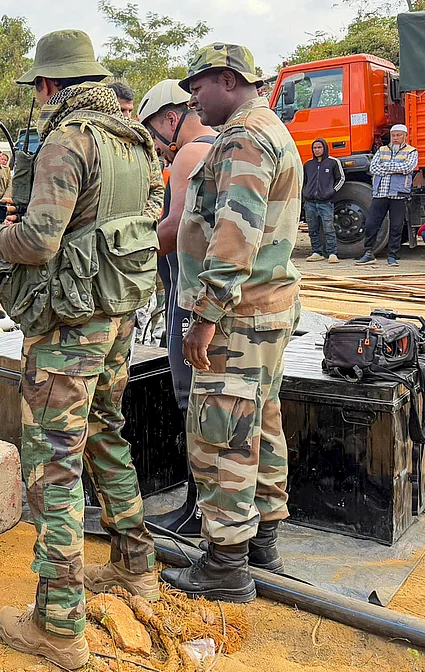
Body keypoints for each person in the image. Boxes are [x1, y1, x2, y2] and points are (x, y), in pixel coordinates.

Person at [0, 29, 164, 670]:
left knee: (54, 461)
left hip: (71, 325)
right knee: (106, 431)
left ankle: (57, 624)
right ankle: (136, 566)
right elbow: (142, 220)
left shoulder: (68, 141)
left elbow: (41, 242)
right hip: (118, 314)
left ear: (50, 86)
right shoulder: (137, 141)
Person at [162, 43, 302, 603]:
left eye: (198, 87)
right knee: (261, 424)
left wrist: (205, 317)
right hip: (265, 309)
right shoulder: (267, 129)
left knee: (221, 435)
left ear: (227, 80)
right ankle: (262, 540)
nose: (192, 98)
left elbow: (234, 234)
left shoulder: (245, 137)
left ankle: (225, 563)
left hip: (239, 315)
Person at [135, 78, 218, 534]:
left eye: (153, 132)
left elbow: (175, 231)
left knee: (191, 400)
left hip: (189, 296)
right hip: (214, 295)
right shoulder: (224, 144)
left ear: (171, 119)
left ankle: (195, 510)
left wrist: (122, 246)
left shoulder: (190, 152)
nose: (156, 145)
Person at [355, 124, 417, 266]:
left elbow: (407, 167)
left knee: (396, 226)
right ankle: (368, 253)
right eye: (393, 135)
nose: (395, 138)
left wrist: (386, 166)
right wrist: (396, 168)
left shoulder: (411, 151)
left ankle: (393, 256)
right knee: (371, 224)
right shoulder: (382, 150)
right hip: (380, 194)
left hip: (399, 194)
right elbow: (373, 167)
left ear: (405, 136)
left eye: (399, 135)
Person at [302, 138, 345, 263]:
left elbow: (341, 179)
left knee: (329, 229)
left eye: (319, 147)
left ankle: (332, 253)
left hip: (325, 203)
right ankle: (317, 252)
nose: (317, 150)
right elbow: (304, 181)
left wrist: (331, 192)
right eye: (314, 148)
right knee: (312, 229)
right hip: (310, 203)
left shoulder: (333, 162)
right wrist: (305, 193)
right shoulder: (308, 164)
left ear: (324, 148)